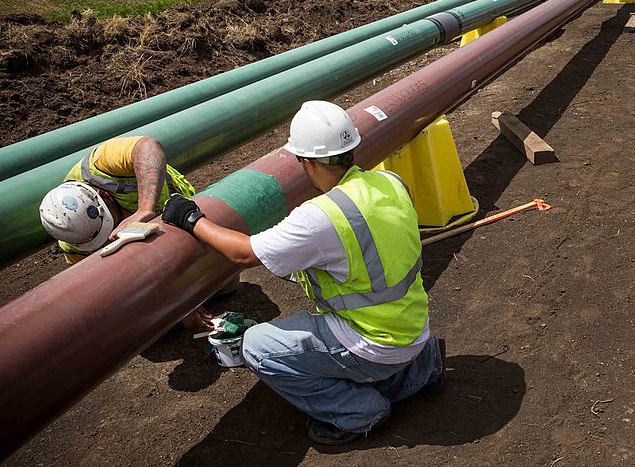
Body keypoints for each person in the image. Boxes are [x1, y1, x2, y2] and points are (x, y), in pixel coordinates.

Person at [162, 100, 445, 446]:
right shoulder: (389, 182)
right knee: (360, 341)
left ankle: (357, 412)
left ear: (306, 161)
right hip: (413, 327)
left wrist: (191, 219)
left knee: (256, 346)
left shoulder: (321, 216)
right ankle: (421, 366)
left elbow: (244, 253)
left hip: (375, 342)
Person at [39, 136, 215, 331]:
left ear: (102, 194)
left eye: (108, 223)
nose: (111, 232)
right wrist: (176, 299)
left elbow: (148, 146)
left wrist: (144, 209)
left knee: (222, 282)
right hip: (149, 256)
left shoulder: (99, 165)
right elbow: (111, 288)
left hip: (179, 210)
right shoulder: (75, 240)